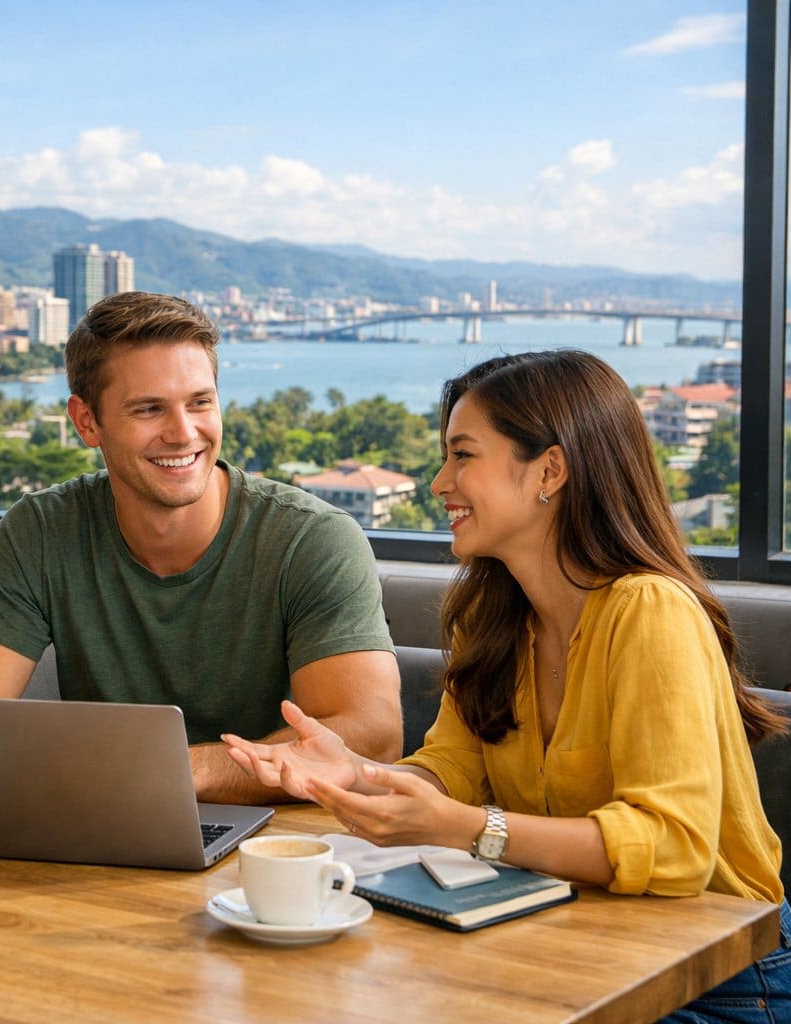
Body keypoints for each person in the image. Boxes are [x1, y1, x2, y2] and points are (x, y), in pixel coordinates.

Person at [223, 349, 788, 1023]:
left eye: (463, 455)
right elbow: (453, 768)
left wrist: (467, 829)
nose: (440, 482)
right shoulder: (494, 618)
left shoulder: (650, 612)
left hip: (719, 975)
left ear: (550, 469)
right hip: (572, 945)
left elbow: (673, 850)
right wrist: (356, 775)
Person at [0, 291, 401, 804]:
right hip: (103, 828)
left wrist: (170, 771)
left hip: (276, 848)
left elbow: (373, 735)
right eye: (149, 409)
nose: (183, 432)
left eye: (200, 402)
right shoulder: (40, 532)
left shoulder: (311, 538)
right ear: (87, 422)